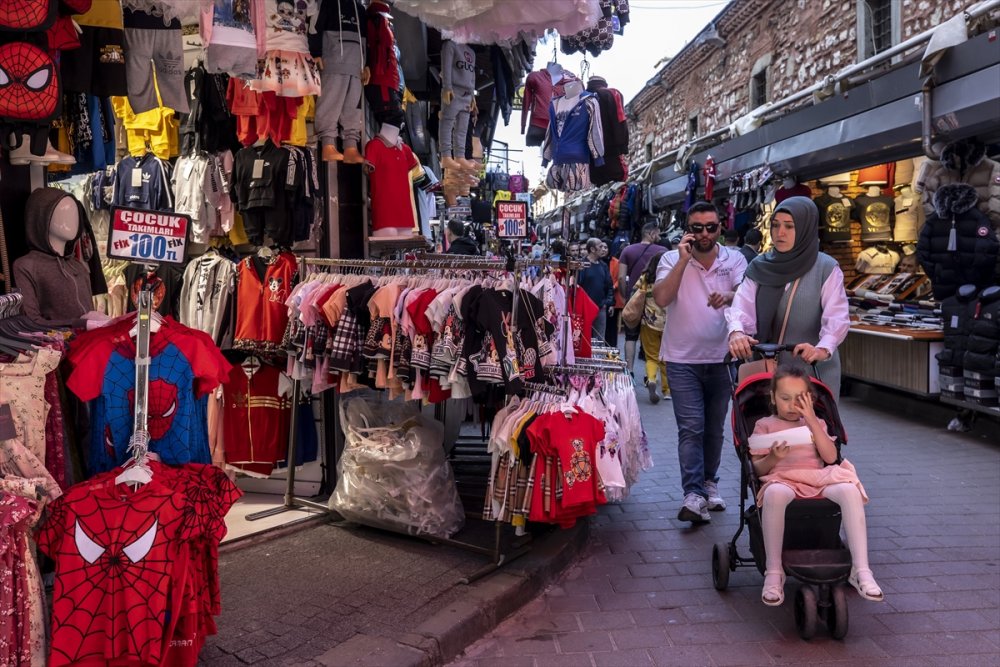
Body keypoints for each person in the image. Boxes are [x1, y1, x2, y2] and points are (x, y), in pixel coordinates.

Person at [751, 364, 883, 606]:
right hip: (783, 478)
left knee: (849, 489)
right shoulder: (764, 425)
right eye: (785, 398)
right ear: (773, 398)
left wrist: (811, 421)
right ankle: (773, 571)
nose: (792, 405)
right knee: (775, 494)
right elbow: (757, 470)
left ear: (810, 399)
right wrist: (773, 458)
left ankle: (861, 569)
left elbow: (831, 457)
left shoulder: (816, 423)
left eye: (799, 399)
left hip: (817, 477)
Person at [653, 201, 748, 523]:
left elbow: (746, 294)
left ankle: (709, 483)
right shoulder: (669, 258)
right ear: (687, 230)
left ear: (720, 227)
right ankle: (692, 494)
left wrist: (730, 297)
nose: (705, 233)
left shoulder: (734, 258)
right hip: (681, 358)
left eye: (711, 227)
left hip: (722, 357)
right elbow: (662, 298)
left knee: (714, 429)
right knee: (691, 428)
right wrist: (683, 260)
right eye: (697, 228)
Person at [727, 196, 850, 398]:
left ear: (805, 229)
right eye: (775, 225)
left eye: (789, 226)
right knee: (766, 427)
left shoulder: (826, 268)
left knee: (813, 428)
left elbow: (837, 316)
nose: (780, 233)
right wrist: (737, 332)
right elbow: (741, 306)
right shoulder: (759, 266)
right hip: (767, 373)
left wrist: (822, 349)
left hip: (812, 372)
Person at [618, 222, 670, 377]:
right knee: (654, 339)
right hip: (656, 304)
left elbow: (621, 277)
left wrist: (625, 295)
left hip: (634, 300)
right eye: (658, 234)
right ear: (651, 233)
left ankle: (630, 371)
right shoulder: (664, 251)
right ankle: (651, 375)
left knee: (631, 337)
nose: (659, 237)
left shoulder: (627, 250)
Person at [634, 251, 668, 404]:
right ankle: (667, 391)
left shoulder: (645, 278)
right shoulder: (670, 278)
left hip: (649, 322)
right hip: (669, 324)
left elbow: (635, 293)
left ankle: (652, 379)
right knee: (667, 358)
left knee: (651, 357)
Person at [578, 238, 614, 341]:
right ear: (593, 249)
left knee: (600, 338)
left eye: (604, 247)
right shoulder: (582, 265)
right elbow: (577, 285)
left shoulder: (603, 265)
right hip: (584, 307)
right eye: (600, 247)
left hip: (600, 307)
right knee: (583, 337)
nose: (603, 249)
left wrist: (609, 303)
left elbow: (609, 285)